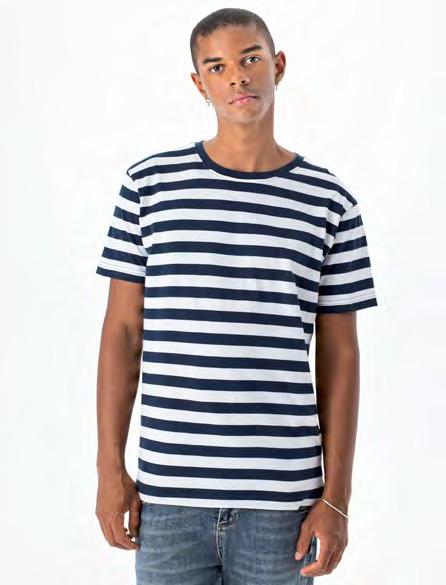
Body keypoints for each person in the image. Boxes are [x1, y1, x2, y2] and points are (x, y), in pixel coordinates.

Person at [94, 7, 378, 584]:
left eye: (250, 59)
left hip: (283, 502)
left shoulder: (329, 201)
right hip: (168, 496)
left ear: (278, 65)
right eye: (217, 66)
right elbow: (122, 332)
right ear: (199, 83)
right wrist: (108, 468)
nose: (237, 76)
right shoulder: (148, 187)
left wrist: (337, 497)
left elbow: (340, 355)